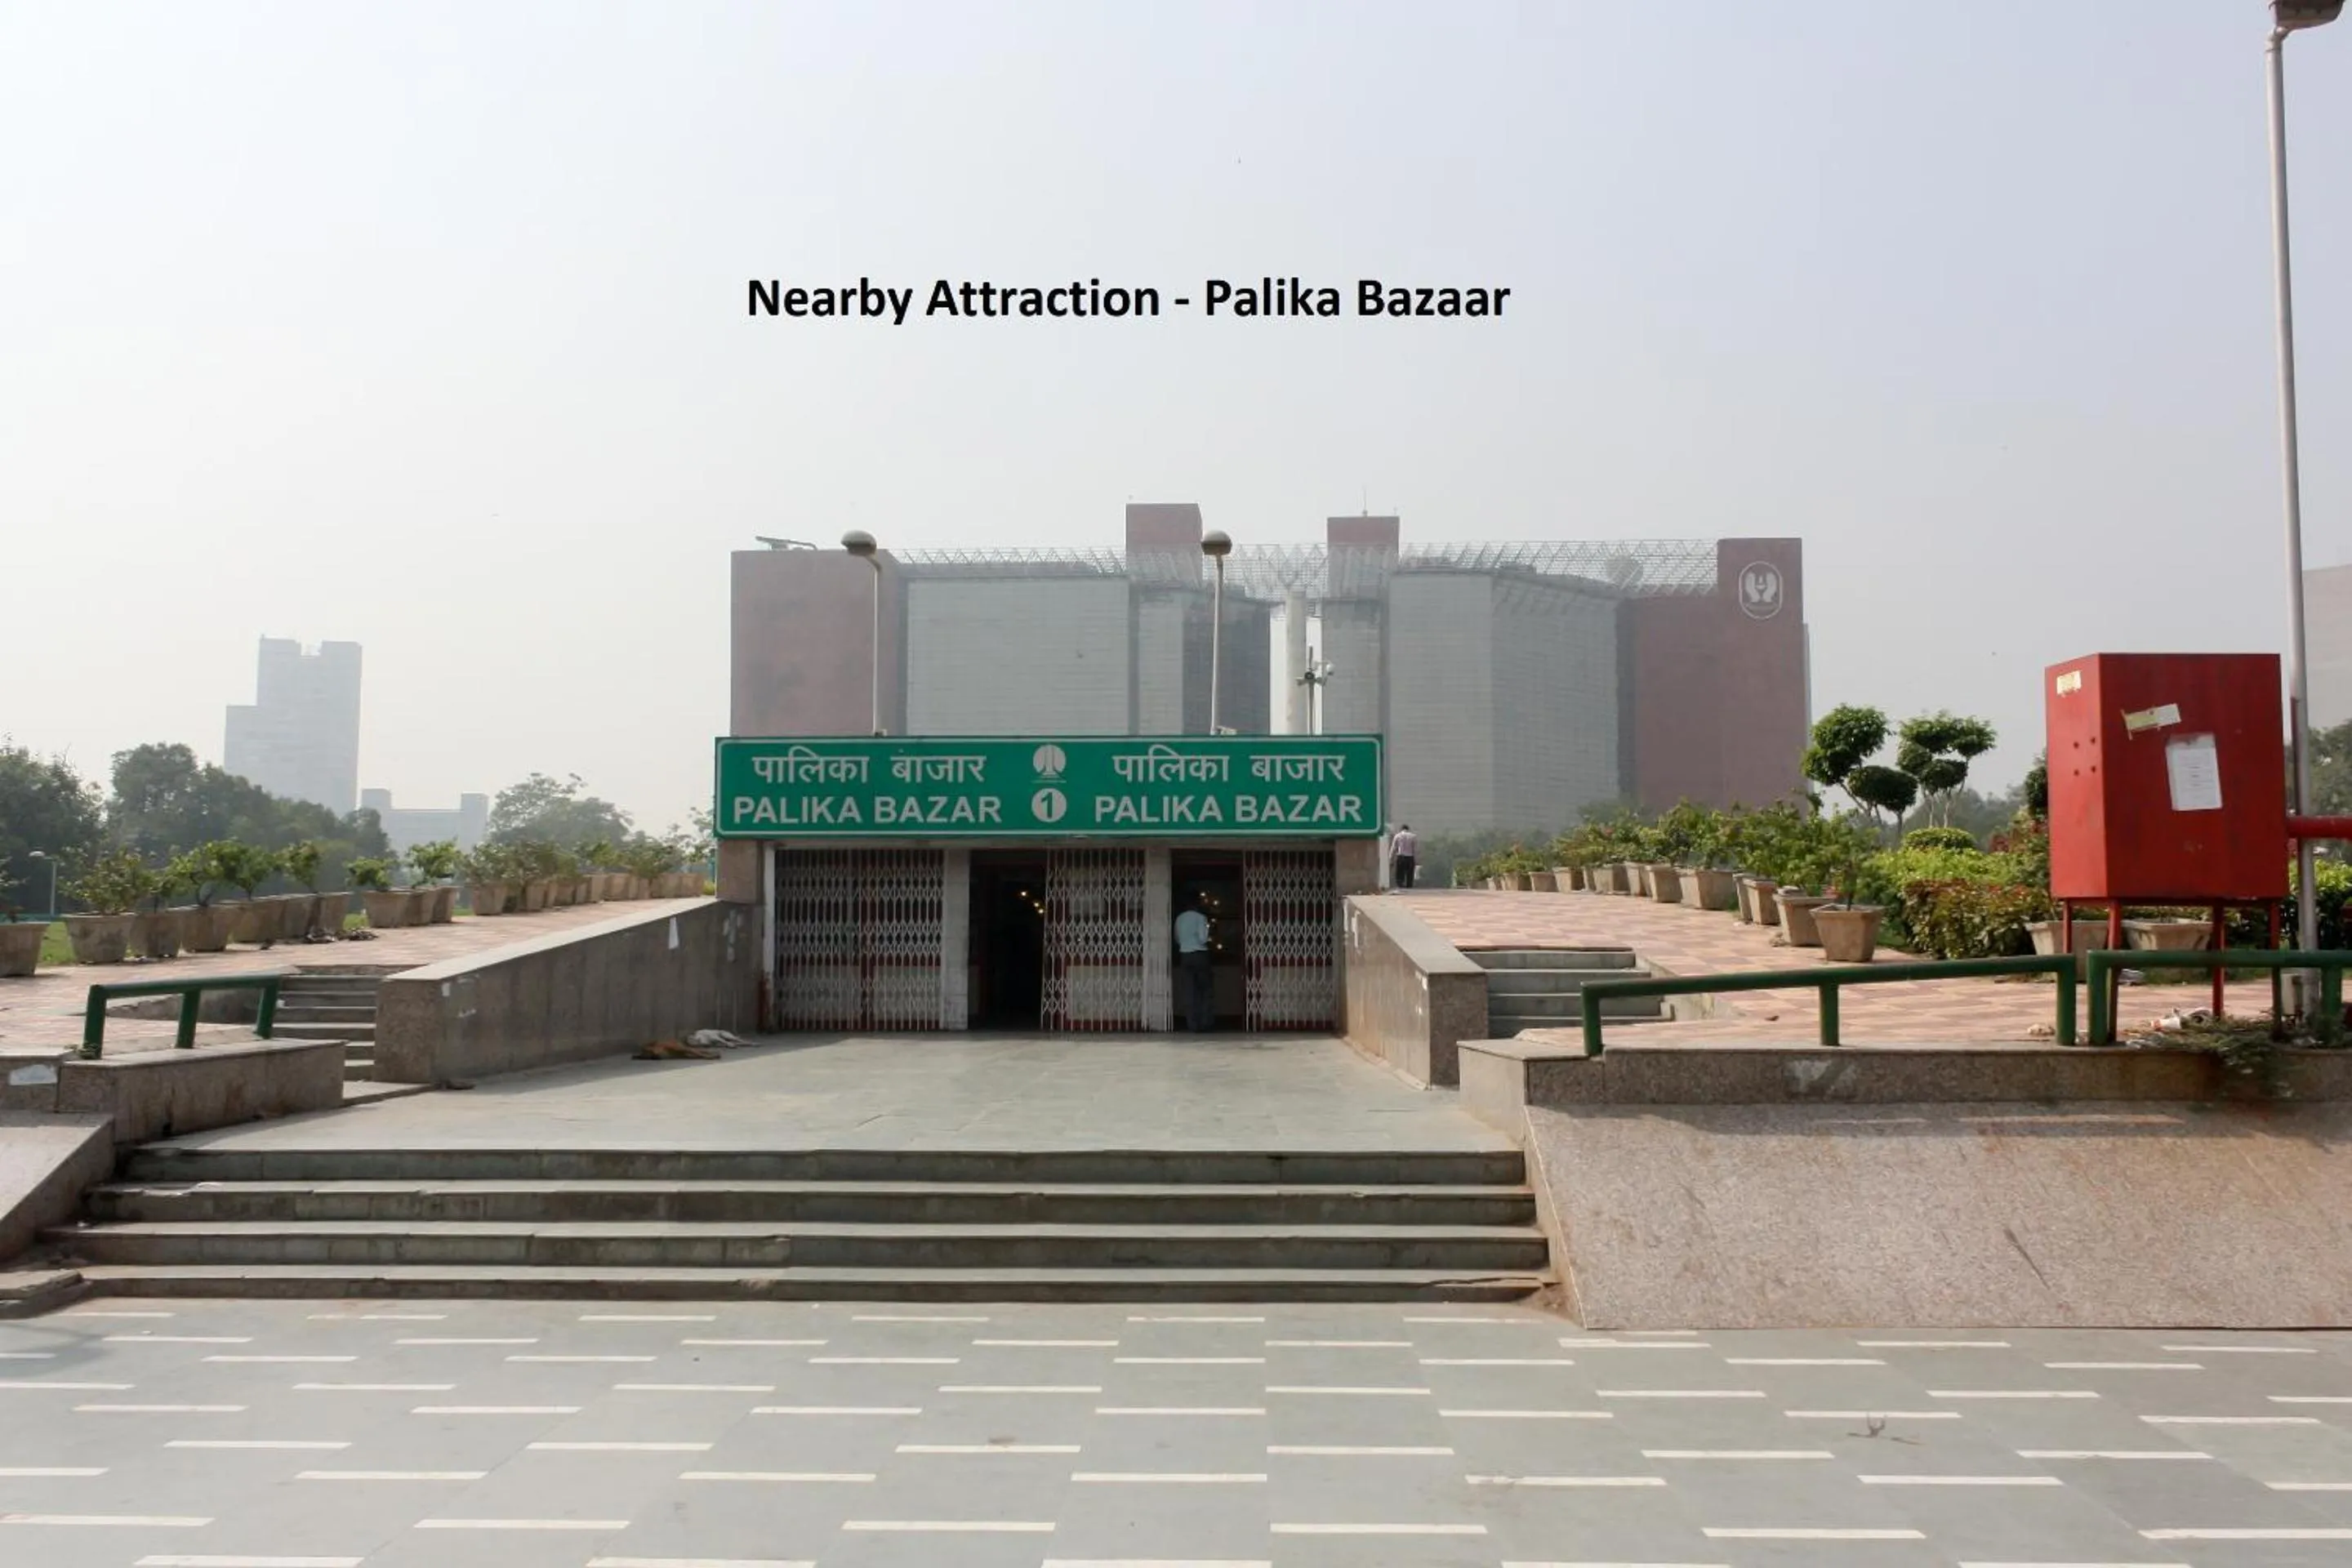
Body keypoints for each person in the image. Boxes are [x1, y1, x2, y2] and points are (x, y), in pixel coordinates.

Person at [1174, 893, 1214, 1031]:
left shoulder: (1179, 919)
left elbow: (1178, 939)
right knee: (1205, 990)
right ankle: (1205, 1022)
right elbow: (1203, 938)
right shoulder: (1201, 918)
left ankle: (1192, 1024)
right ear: (1197, 904)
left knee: (1190, 991)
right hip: (1200, 955)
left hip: (1185, 955)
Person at [1390, 822, 1419, 889]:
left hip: (1401, 857)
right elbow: (1415, 849)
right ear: (1408, 829)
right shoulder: (1413, 836)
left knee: (1400, 873)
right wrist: (1416, 860)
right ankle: (1409, 886)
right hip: (1410, 857)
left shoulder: (1397, 836)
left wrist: (1391, 859)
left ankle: (1400, 886)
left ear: (1401, 829)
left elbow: (1393, 848)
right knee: (1410, 874)